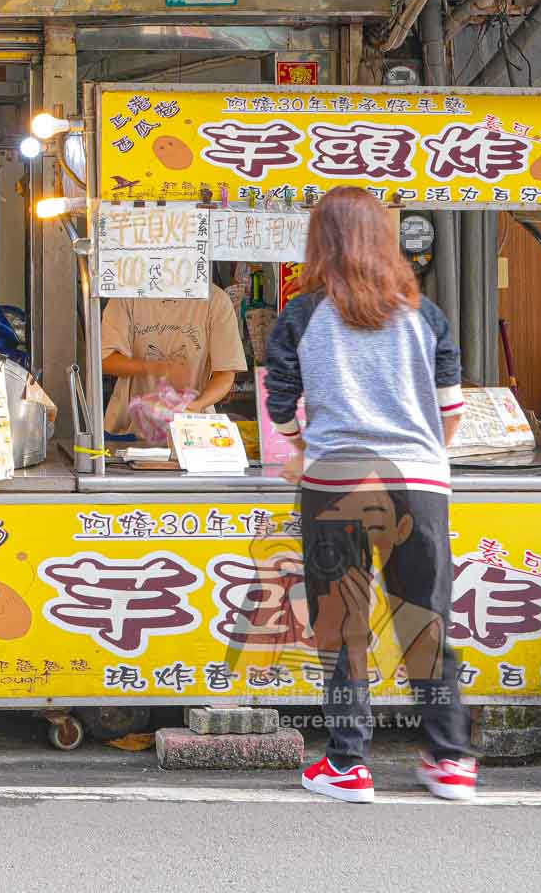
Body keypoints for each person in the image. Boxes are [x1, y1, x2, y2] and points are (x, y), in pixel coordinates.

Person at [261, 186, 475, 805]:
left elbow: (281, 404)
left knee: (343, 627)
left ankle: (348, 765)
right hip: (419, 486)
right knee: (425, 621)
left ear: (319, 242)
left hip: (335, 484)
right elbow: (451, 411)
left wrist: (304, 449)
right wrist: (422, 452)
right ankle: (450, 761)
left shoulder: (302, 315)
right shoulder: (424, 316)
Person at [99, 280, 246, 443]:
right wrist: (154, 368)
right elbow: (105, 360)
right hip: (129, 431)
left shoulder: (216, 300)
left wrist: (197, 405)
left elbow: (225, 373)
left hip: (192, 430)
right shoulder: (127, 294)